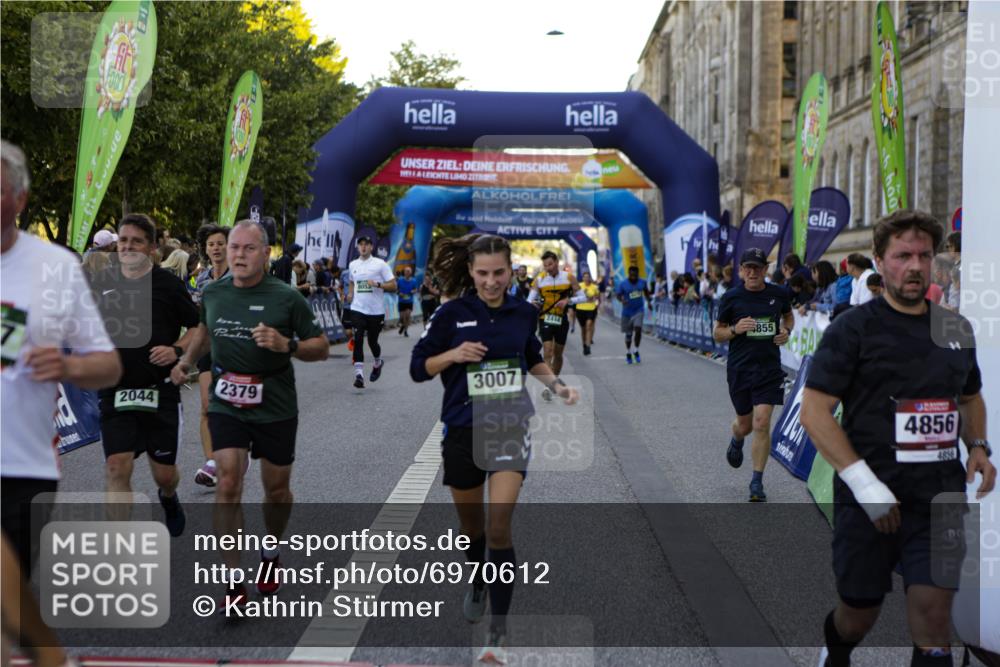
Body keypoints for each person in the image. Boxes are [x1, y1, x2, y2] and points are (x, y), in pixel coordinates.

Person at [800, 209, 995, 667]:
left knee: (934, 619)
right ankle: (835, 650)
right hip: (869, 502)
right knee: (858, 614)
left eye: (924, 256)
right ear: (879, 260)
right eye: (903, 256)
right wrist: (866, 486)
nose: (915, 266)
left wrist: (978, 446)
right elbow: (814, 412)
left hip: (938, 499)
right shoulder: (852, 329)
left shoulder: (954, 329)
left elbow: (970, 398)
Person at [410, 234, 578, 664]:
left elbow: (531, 356)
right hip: (462, 430)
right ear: (470, 271)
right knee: (473, 530)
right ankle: (479, 578)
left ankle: (498, 634)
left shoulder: (524, 312)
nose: (491, 281)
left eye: (499, 273)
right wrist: (453, 355)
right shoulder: (451, 314)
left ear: (510, 270)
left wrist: (557, 386)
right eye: (482, 273)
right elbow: (418, 368)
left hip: (508, 426)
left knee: (499, 527)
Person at [170, 220, 329, 609]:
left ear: (266, 253)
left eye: (248, 248)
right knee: (228, 481)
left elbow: (321, 346)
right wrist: (186, 360)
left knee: (276, 491)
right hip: (227, 400)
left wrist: (287, 344)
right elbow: (204, 331)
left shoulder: (285, 297)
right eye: (234, 247)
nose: (238, 254)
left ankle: (270, 553)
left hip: (275, 403)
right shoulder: (214, 292)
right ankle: (233, 580)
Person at [1, 139, 122, 574]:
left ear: (20, 199)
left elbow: (108, 366)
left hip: (20, 466)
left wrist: (68, 366)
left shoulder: (55, 267)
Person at [91, 214, 200, 536]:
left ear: (153, 248)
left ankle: (168, 497)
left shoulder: (168, 284)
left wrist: (177, 350)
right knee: (116, 467)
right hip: (115, 389)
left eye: (136, 241)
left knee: (164, 475)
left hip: (159, 389)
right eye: (123, 240)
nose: (128, 247)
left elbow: (197, 327)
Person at [713, 247, 794, 502]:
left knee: (761, 422)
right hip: (740, 369)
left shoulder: (779, 294)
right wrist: (735, 329)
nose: (752, 272)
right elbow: (717, 333)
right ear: (741, 270)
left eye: (757, 268)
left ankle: (756, 482)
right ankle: (737, 437)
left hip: (769, 370)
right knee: (746, 425)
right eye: (748, 267)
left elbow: (788, 317)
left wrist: (786, 331)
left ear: (765, 270)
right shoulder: (731, 297)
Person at [191, 224, 230, 488]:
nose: (215, 248)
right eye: (211, 244)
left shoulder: (240, 275)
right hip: (207, 346)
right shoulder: (202, 279)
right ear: (205, 249)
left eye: (220, 243)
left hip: (234, 349)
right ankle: (211, 463)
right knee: (206, 407)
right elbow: (197, 312)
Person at [526, 251, 586, 400]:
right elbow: (529, 300)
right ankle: (548, 386)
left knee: (558, 354)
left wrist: (568, 301)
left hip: (561, 320)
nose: (548, 268)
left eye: (550, 264)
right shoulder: (539, 279)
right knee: (548, 351)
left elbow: (583, 297)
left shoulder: (569, 277)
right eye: (545, 265)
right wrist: (534, 303)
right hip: (545, 318)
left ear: (557, 262)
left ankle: (553, 380)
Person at [346, 235, 396, 388]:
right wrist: (350, 293)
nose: (363, 247)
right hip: (357, 308)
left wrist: (377, 284)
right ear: (357, 247)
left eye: (366, 244)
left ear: (371, 247)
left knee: (372, 342)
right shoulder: (353, 264)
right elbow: (352, 281)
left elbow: (393, 286)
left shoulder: (380, 264)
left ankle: (377, 362)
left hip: (376, 311)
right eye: (361, 244)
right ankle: (359, 375)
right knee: (358, 338)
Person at [615, 265, 652, 364]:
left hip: (639, 310)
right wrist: (622, 300)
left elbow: (646, 292)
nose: (634, 277)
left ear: (638, 274)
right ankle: (628, 352)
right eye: (632, 275)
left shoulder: (642, 282)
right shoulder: (623, 284)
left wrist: (649, 302)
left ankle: (636, 350)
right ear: (629, 274)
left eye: (635, 275)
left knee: (638, 329)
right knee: (629, 335)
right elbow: (618, 295)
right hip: (627, 312)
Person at [575, 270, 601, 356]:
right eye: (585, 277)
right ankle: (584, 345)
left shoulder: (594, 287)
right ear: (582, 278)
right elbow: (574, 296)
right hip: (580, 309)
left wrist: (597, 304)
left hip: (591, 309)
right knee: (583, 329)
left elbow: (598, 297)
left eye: (588, 277)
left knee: (589, 325)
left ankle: (588, 345)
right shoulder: (579, 286)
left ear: (590, 278)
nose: (586, 278)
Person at [395, 266, 418, 337]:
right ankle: (403, 325)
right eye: (406, 271)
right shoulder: (400, 280)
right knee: (402, 318)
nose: (408, 272)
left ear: (411, 273)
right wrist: (399, 293)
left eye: (409, 271)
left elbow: (416, 289)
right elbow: (396, 290)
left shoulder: (414, 281)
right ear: (404, 272)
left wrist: (413, 291)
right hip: (401, 301)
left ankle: (406, 331)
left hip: (409, 301)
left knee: (407, 316)